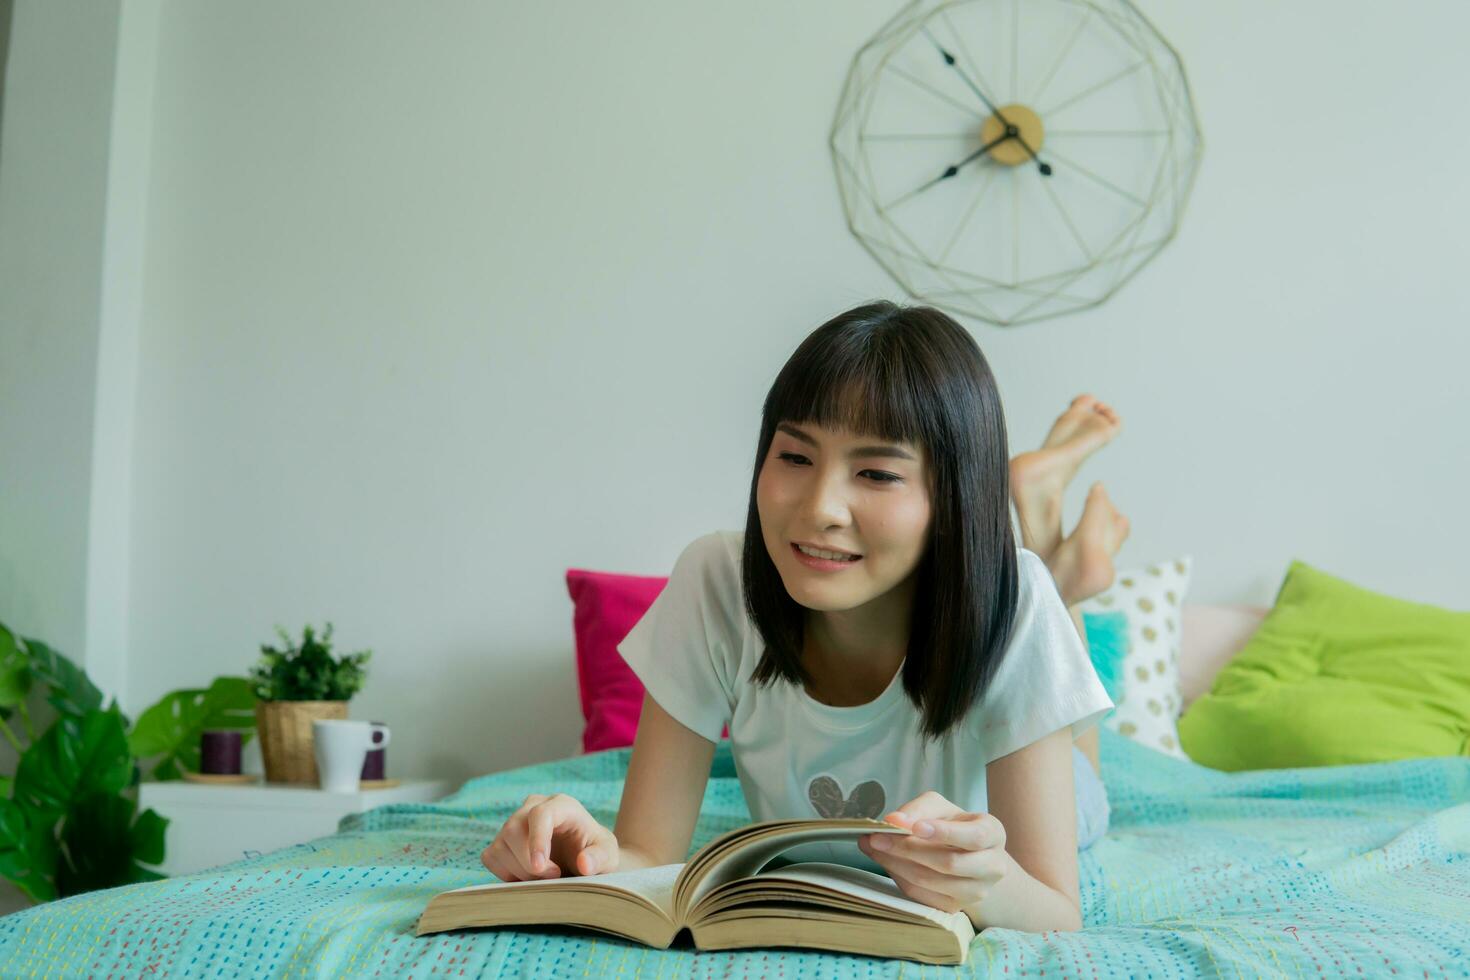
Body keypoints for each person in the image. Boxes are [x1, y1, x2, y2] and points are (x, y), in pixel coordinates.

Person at [481, 301, 1129, 934]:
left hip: (1023, 759)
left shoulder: (1012, 604)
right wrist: (583, 853)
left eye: (875, 473)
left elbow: (1054, 909)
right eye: (795, 457)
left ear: (955, 495)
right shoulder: (715, 581)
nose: (820, 508)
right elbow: (648, 852)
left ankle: (1056, 562)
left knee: (1083, 774)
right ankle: (1047, 531)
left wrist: (990, 881)